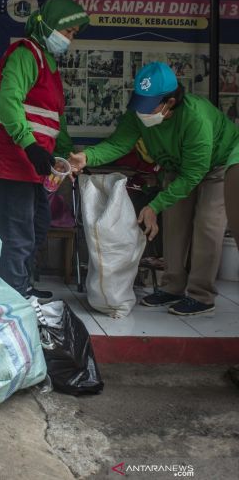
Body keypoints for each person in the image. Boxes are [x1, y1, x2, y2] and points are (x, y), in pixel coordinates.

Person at [69, 61, 239, 316]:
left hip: (217, 167)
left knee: (207, 225)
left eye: (150, 106)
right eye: (140, 103)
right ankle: (172, 287)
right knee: (174, 223)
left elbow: (194, 173)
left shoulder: (195, 117)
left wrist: (154, 205)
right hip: (176, 166)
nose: (142, 112)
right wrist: (88, 157)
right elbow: (118, 144)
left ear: (170, 102)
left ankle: (201, 296)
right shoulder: (139, 113)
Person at [0, 0, 89, 300]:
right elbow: (8, 102)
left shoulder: (49, 65)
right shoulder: (26, 54)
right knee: (17, 233)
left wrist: (69, 156)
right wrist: (30, 146)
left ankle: (21, 285)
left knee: (38, 225)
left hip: (35, 162)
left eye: (73, 35)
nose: (70, 39)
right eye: (68, 32)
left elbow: (56, 121)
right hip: (13, 158)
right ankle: (13, 296)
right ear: (50, 25)